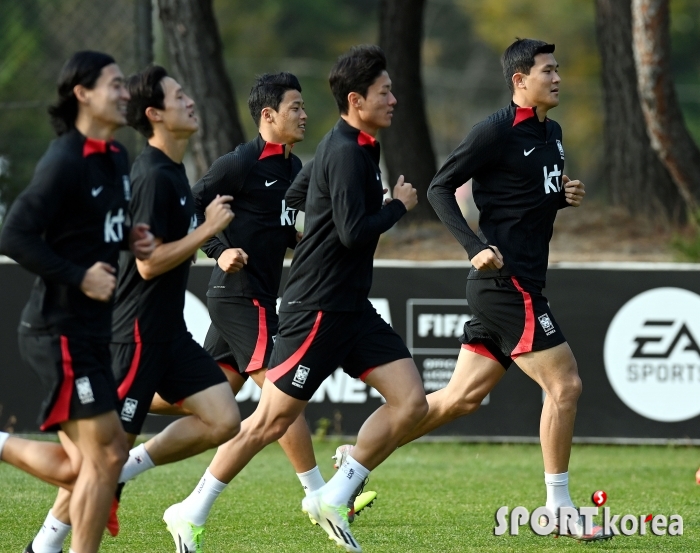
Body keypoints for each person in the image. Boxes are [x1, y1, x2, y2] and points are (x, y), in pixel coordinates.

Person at [338, 38, 610, 542]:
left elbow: (528, 200)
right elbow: (440, 186)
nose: (557, 77)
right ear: (519, 81)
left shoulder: (552, 133)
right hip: (505, 284)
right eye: (547, 70)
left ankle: (352, 466)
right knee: (565, 385)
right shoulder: (494, 130)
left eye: (558, 69)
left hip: (515, 283)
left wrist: (563, 196)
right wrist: (473, 246)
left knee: (457, 400)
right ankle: (558, 507)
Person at [163, 45, 427, 553]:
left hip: (352, 305)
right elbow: (353, 232)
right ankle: (189, 510)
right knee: (269, 420)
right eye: (385, 92)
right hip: (318, 309)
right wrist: (397, 205)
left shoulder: (355, 146)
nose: (394, 99)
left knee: (411, 401)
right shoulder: (346, 150)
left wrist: (303, 231)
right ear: (356, 99)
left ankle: (334, 496)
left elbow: (295, 200)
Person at [22, 64, 244, 553]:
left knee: (225, 420)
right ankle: (45, 545)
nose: (191, 102)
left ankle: (128, 468)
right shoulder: (150, 175)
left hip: (169, 335)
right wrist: (207, 233)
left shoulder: (173, 172)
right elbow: (146, 267)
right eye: (179, 96)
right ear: (155, 114)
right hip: (135, 337)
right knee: (96, 461)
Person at [0, 51, 154, 553]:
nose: (124, 92)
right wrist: (78, 276)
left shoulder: (116, 157)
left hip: (90, 330)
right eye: (114, 84)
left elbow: (95, 224)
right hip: (57, 330)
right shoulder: (63, 159)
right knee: (104, 461)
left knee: (88, 463)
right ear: (82, 93)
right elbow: (15, 234)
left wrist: (130, 237)